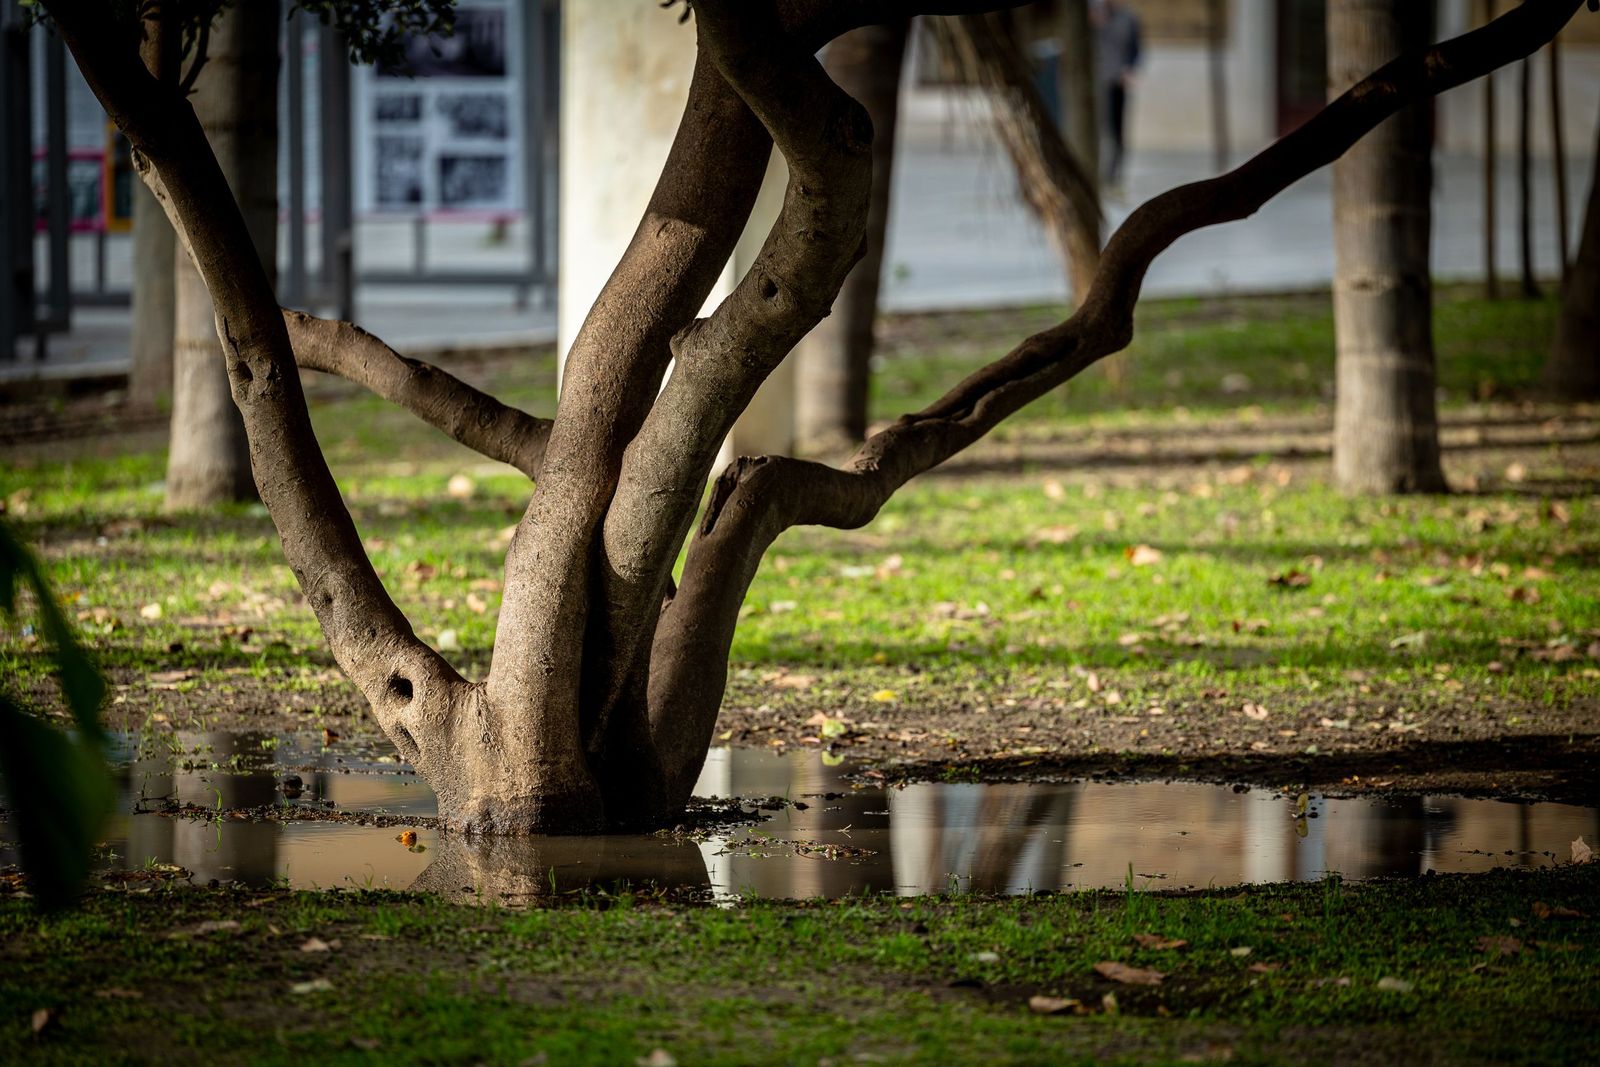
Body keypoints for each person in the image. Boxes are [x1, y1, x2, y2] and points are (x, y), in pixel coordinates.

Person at [1093, 0, 1142, 189]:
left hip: (1117, 82)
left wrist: (1130, 69)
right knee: (1097, 129)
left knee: (1115, 131)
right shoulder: (1091, 15)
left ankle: (1112, 177)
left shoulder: (1128, 18)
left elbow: (1136, 50)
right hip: (1094, 83)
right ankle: (1093, 172)